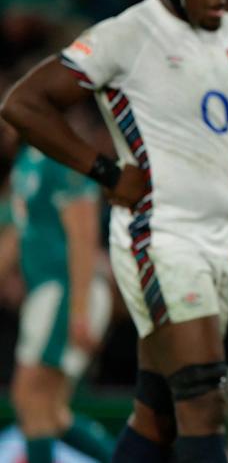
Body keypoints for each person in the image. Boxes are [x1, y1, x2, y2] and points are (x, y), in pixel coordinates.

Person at [1, 0, 228, 463]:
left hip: (218, 238)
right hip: (160, 237)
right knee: (203, 399)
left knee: (158, 414)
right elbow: (23, 103)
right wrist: (105, 171)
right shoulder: (125, 35)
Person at [9, 136, 114, 463]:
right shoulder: (28, 159)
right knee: (48, 411)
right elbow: (15, 232)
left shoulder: (62, 154)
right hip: (49, 292)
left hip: (66, 291)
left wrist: (79, 310)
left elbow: (83, 235)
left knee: (32, 399)